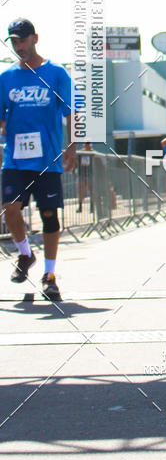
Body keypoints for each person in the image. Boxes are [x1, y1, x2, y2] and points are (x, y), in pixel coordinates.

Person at [0, 19, 76, 301]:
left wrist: (72, 147)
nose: (18, 46)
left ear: (35, 38)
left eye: (22, 40)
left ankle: (50, 275)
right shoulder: (6, 78)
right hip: (15, 160)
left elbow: (71, 112)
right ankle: (25, 254)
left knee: (48, 216)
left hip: (48, 160)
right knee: (10, 210)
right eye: (14, 42)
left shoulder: (56, 73)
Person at [77, 141, 94, 213]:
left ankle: (92, 207)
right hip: (82, 174)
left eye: (88, 143)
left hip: (91, 174)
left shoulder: (93, 153)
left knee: (91, 190)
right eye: (86, 144)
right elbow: (76, 162)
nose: (87, 145)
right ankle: (80, 206)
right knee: (81, 190)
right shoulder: (80, 153)